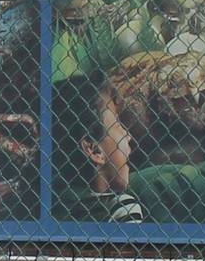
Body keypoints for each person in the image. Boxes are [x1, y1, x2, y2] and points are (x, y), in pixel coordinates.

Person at [51, 74, 145, 224]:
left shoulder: (55, 204)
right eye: (118, 126)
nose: (128, 136)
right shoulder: (123, 208)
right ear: (94, 150)